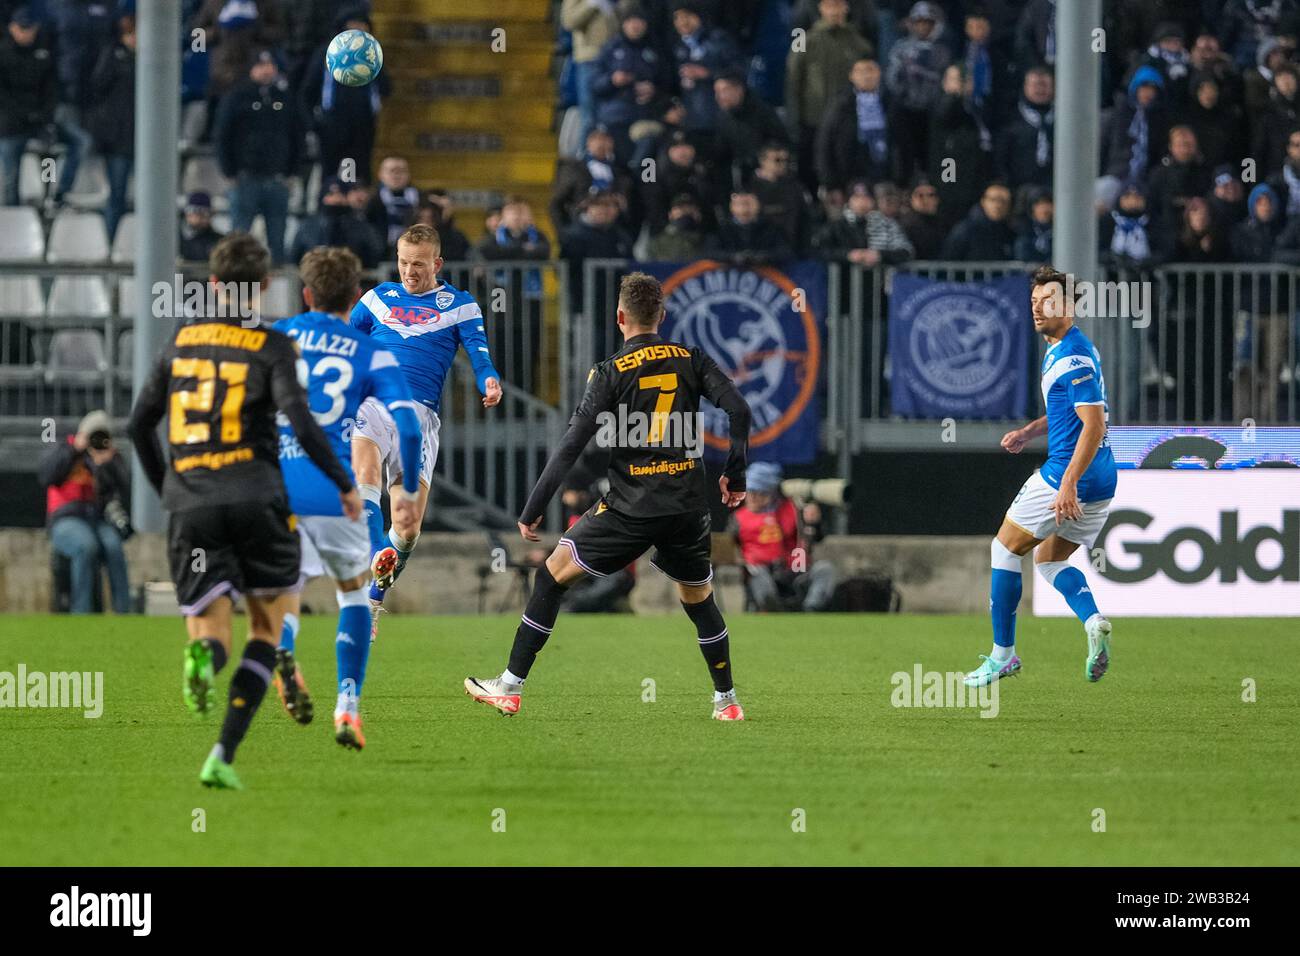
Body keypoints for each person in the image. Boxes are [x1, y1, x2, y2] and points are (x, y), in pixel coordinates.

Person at [127, 233, 361, 790]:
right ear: (265, 287)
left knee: (209, 626)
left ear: (211, 284)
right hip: (257, 499)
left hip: (192, 505)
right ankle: (222, 756)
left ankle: (204, 656)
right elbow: (300, 423)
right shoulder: (273, 345)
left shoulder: (181, 341)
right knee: (267, 626)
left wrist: (170, 487)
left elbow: (138, 424)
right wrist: (343, 484)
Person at [464, 272, 753, 721]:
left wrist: (533, 508)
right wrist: (734, 477)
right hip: (688, 506)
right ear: (662, 315)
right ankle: (727, 701)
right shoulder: (691, 358)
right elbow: (739, 409)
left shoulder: (610, 371)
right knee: (699, 600)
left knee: (550, 578)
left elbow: (572, 443)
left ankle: (510, 687)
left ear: (620, 317)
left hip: (631, 506)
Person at [272, 246, 422, 749]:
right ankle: (348, 707)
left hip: (283, 486)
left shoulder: (278, 337)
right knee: (353, 594)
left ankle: (284, 649)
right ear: (356, 296)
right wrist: (407, 478)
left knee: (286, 588)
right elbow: (406, 423)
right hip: (338, 491)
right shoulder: (372, 352)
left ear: (306, 293)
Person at [963, 265, 1116, 689]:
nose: (1037, 307)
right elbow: (1073, 412)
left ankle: (1003, 657)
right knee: (1049, 559)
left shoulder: (1073, 357)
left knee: (1003, 549)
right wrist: (1032, 430)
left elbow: (1094, 425)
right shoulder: (1070, 346)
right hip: (1104, 479)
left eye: (1047, 300)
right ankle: (1094, 620)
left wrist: (1067, 483)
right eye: (1033, 301)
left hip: (1069, 474)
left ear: (1067, 305)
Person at [349, 224, 503, 639]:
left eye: (418, 264)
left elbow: (479, 353)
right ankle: (370, 560)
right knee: (364, 475)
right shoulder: (376, 299)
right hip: (374, 404)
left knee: (408, 525)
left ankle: (375, 594)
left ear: (437, 263)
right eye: (402, 263)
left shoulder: (461, 305)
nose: (409, 271)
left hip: (419, 419)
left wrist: (489, 380)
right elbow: (346, 343)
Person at [213, 50, 304, 264]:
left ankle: (278, 288)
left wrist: (292, 172)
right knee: (239, 240)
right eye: (261, 65)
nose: (266, 70)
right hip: (245, 178)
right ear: (252, 69)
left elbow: (297, 136)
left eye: (270, 64)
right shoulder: (236, 97)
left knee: (277, 239)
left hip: (277, 178)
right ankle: (235, 282)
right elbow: (222, 135)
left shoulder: (286, 98)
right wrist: (229, 171)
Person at [39, 409, 132, 615]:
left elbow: (123, 489)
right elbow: (46, 475)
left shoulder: (109, 458)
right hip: (65, 519)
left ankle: (124, 612)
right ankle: (81, 611)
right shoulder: (64, 448)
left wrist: (105, 465)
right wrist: (75, 449)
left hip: (96, 519)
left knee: (114, 546)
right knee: (85, 546)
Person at [733, 462, 837, 612]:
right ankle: (773, 610)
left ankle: (811, 610)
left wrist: (814, 523)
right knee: (754, 572)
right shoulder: (738, 518)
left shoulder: (792, 510)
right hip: (762, 573)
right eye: (750, 492)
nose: (753, 498)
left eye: (760, 493)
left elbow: (816, 537)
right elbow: (729, 549)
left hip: (795, 571)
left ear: (771, 493)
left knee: (825, 569)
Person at [84, 11, 135, 240]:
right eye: (131, 35)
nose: (135, 40)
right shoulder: (112, 57)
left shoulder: (154, 63)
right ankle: (112, 241)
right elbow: (96, 86)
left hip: (142, 141)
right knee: (117, 195)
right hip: (119, 140)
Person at [290, 177, 382, 268]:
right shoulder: (308, 225)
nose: (336, 198)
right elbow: (294, 256)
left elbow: (373, 257)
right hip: (314, 278)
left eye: (341, 194)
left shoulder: (362, 227)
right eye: (331, 194)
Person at [180, 192, 224, 263]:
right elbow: (177, 271)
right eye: (200, 214)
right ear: (188, 214)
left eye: (207, 215)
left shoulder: (218, 241)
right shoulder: (177, 240)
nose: (204, 219)